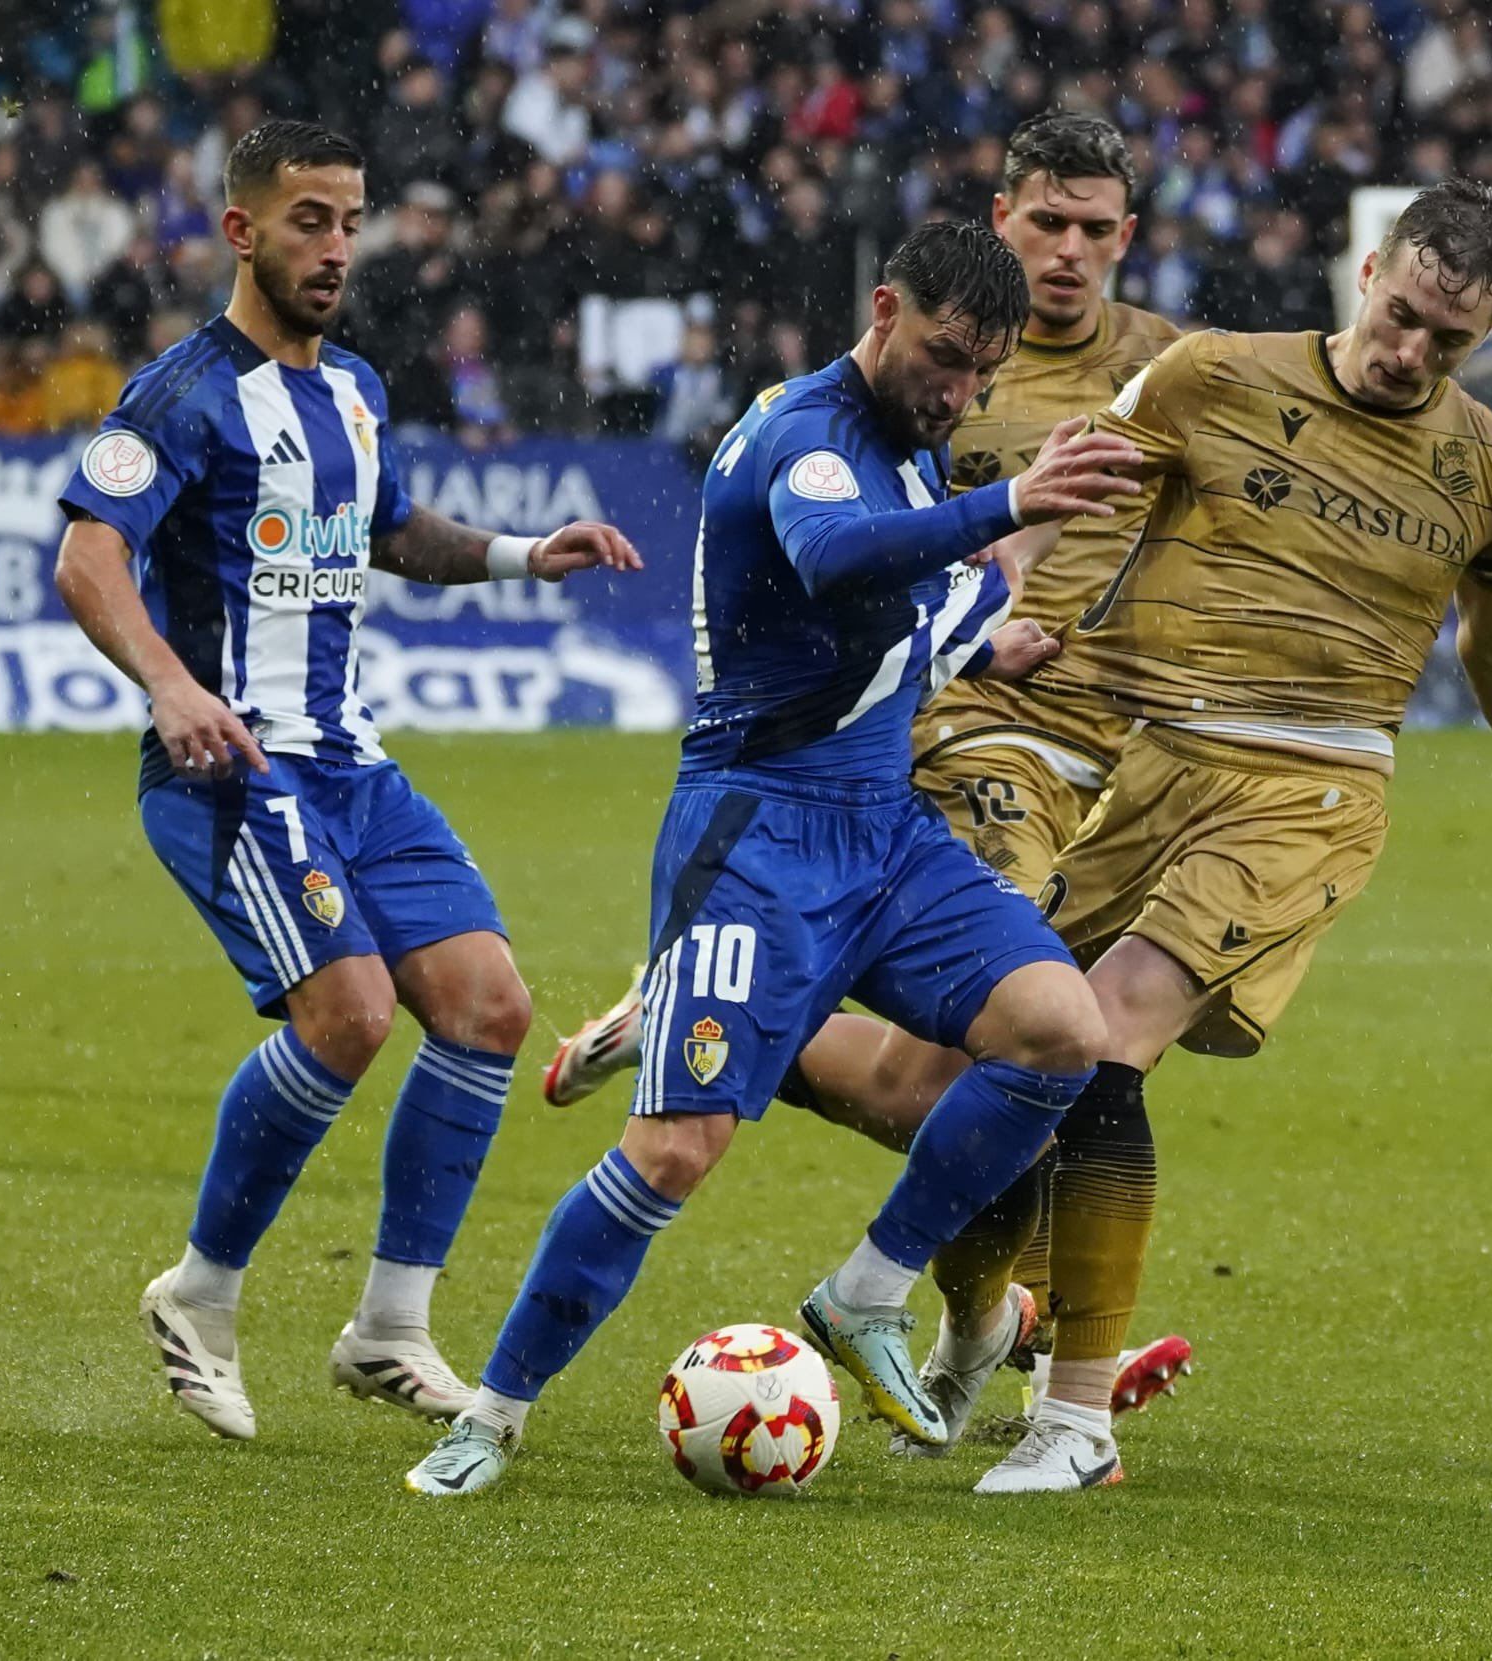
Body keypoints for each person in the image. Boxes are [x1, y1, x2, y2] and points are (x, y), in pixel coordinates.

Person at [402, 218, 1145, 1498]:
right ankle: (489, 1410)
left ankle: (866, 1287)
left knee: (1058, 1030)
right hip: (756, 835)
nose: (956, 392)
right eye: (942, 357)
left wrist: (982, 637)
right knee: (677, 1149)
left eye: (981, 374)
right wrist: (1014, 500)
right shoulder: (805, 437)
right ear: (881, 309)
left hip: (885, 833)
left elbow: (898, 611)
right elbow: (833, 556)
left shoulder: (913, 455)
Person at [545, 112, 1194, 1442]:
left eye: (1094, 231)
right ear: (997, 220)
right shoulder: (917, 374)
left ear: (1127, 240)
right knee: (1025, 1044)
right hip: (942, 750)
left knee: (989, 1078)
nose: (1066, 254)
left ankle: (720, 1029)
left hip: (1091, 747)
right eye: (1043, 224)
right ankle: (983, 1329)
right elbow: (845, 552)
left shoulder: (1169, 374)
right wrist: (982, 580)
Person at [960, 176, 1492, 1492]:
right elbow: (1076, 490)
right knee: (1014, 1039)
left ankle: (1073, 1425)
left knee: (1109, 1033)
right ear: (1366, 275)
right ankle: (988, 1320)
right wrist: (986, 629)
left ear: (1488, 333)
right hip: (1161, 756)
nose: (1413, 355)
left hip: (1314, 789)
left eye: (1450, 342)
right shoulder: (1212, 375)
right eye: (1404, 316)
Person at [51, 120, 639, 1445]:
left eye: (352, 220)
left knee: (488, 1005)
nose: (336, 246)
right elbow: (90, 557)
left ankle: (388, 1327)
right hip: (233, 766)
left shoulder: (357, 391)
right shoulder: (182, 393)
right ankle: (200, 1291)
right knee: (352, 1014)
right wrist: (171, 683)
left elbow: (397, 538)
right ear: (243, 230)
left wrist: (522, 554)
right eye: (310, 219)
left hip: (355, 766)